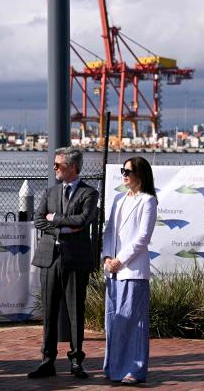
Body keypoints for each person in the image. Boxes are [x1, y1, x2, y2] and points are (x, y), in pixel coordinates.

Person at [29, 147, 99, 380]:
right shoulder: (50, 192)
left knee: (75, 311)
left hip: (75, 259)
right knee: (49, 311)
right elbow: (38, 220)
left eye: (58, 164)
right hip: (50, 258)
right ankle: (47, 361)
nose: (54, 168)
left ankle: (77, 361)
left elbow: (84, 219)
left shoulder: (89, 193)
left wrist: (56, 219)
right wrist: (65, 227)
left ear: (72, 167)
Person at [101, 157, 157, 385]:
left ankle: (135, 370)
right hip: (113, 272)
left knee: (135, 323)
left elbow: (142, 237)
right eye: (122, 170)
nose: (124, 174)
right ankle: (114, 368)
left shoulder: (148, 201)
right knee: (114, 322)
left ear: (140, 175)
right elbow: (109, 231)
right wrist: (106, 257)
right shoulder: (118, 199)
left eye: (128, 171)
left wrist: (120, 260)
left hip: (132, 271)